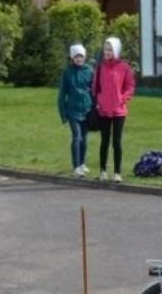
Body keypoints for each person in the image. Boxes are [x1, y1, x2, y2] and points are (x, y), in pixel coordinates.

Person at [91, 36, 134, 183]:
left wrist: (123, 98)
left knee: (117, 142)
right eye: (105, 49)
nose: (107, 52)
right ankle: (103, 171)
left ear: (116, 50)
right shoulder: (100, 67)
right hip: (103, 110)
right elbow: (95, 87)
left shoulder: (124, 67)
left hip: (119, 110)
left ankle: (117, 172)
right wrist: (99, 101)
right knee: (104, 141)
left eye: (110, 49)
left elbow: (130, 86)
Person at [57, 43, 94, 178]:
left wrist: (95, 107)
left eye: (81, 56)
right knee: (77, 137)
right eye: (76, 57)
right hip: (73, 111)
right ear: (72, 58)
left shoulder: (89, 70)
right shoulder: (67, 73)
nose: (79, 59)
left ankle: (82, 163)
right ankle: (76, 166)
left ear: (84, 57)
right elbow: (62, 95)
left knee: (84, 138)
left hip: (87, 110)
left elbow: (94, 90)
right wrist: (63, 114)